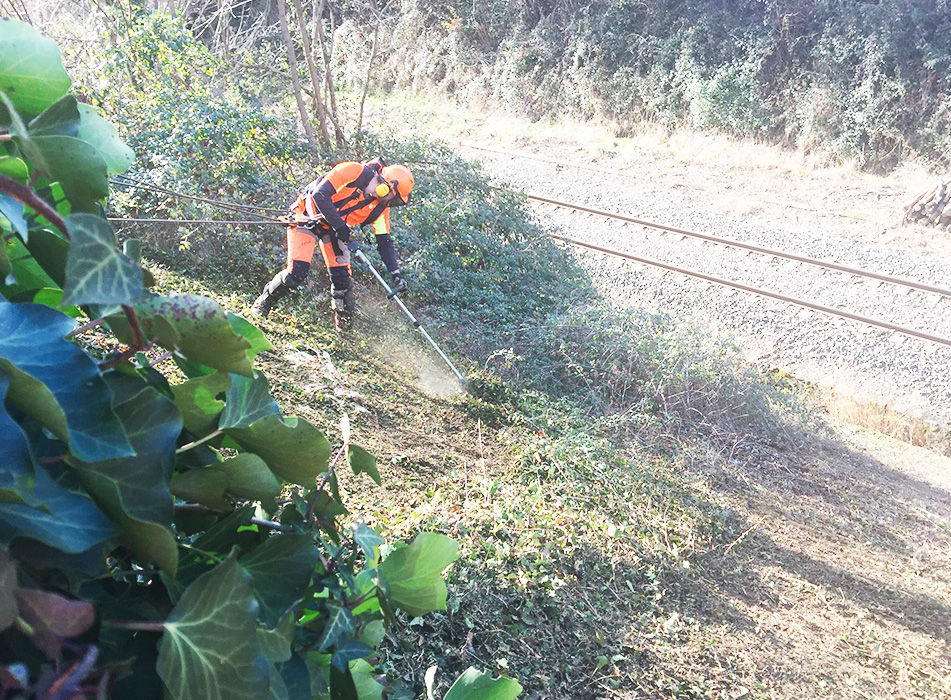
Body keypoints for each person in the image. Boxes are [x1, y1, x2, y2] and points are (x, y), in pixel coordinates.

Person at [250, 157, 414, 328]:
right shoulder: (352, 171)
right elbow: (320, 195)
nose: (390, 203)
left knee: (343, 282)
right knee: (296, 274)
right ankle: (263, 303)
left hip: (335, 229)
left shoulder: (380, 209)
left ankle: (345, 333)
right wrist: (340, 227)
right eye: (393, 198)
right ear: (384, 187)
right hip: (306, 217)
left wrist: (396, 274)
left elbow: (384, 242)